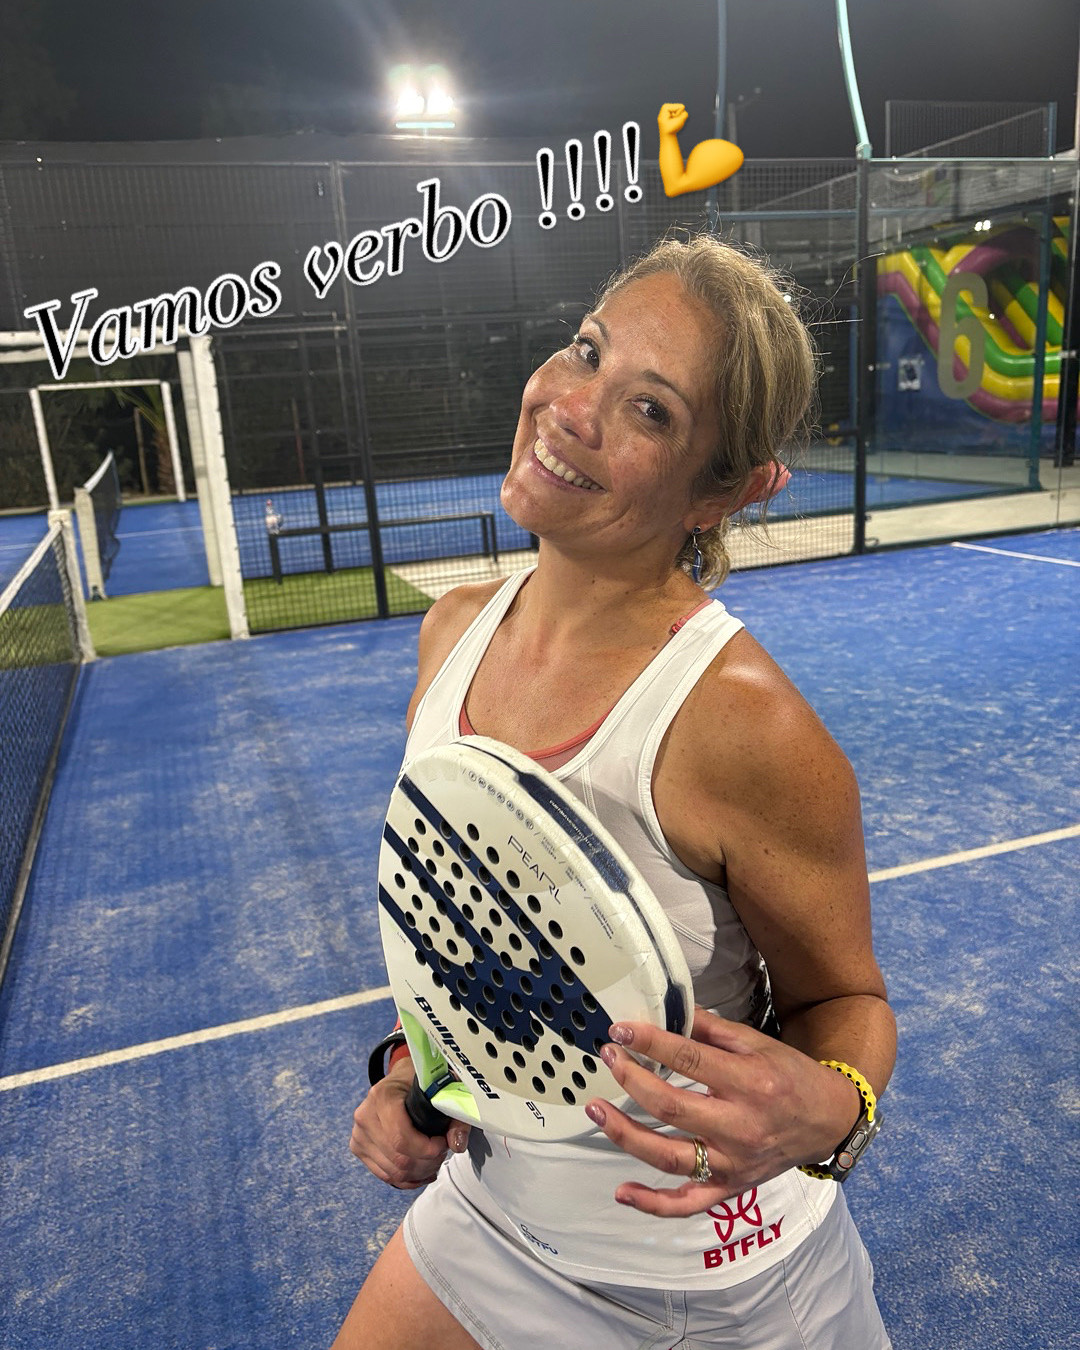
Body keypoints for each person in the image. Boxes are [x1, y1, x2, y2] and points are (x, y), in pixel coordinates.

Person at [333, 235, 897, 1350]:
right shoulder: (453, 632)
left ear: (727, 489)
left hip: (709, 1288)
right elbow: (479, 930)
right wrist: (412, 1071)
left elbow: (844, 1000)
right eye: (587, 351)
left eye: (651, 410)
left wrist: (835, 1110)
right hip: (492, 1217)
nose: (571, 407)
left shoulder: (740, 722)